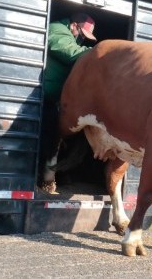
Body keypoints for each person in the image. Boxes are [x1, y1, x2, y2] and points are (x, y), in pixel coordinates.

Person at [39, 12, 97, 191]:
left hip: (53, 100)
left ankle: (52, 177)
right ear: (73, 25)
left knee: (56, 137)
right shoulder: (57, 30)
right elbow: (71, 53)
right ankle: (41, 179)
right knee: (47, 137)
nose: (82, 39)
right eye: (82, 34)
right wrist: (99, 53)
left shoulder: (69, 35)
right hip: (43, 97)